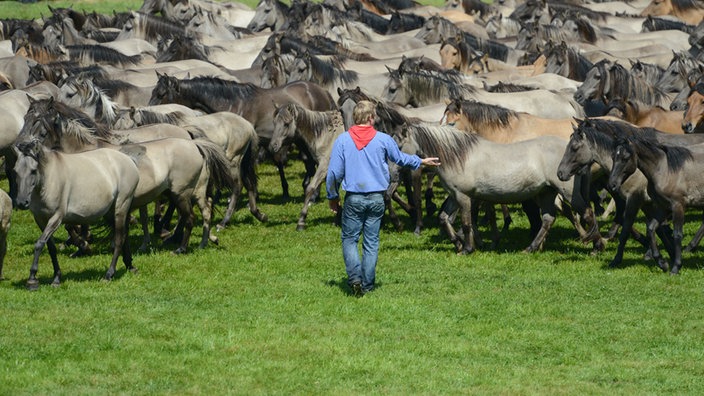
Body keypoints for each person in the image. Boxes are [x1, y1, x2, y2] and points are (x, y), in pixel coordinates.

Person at [326, 100, 441, 297]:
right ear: (371, 118)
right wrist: (420, 160)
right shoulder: (383, 139)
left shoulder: (343, 140)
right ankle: (368, 285)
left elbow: (333, 174)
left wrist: (332, 196)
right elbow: (400, 159)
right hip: (377, 199)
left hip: (354, 198)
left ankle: (354, 278)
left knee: (350, 239)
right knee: (371, 242)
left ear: (355, 118)